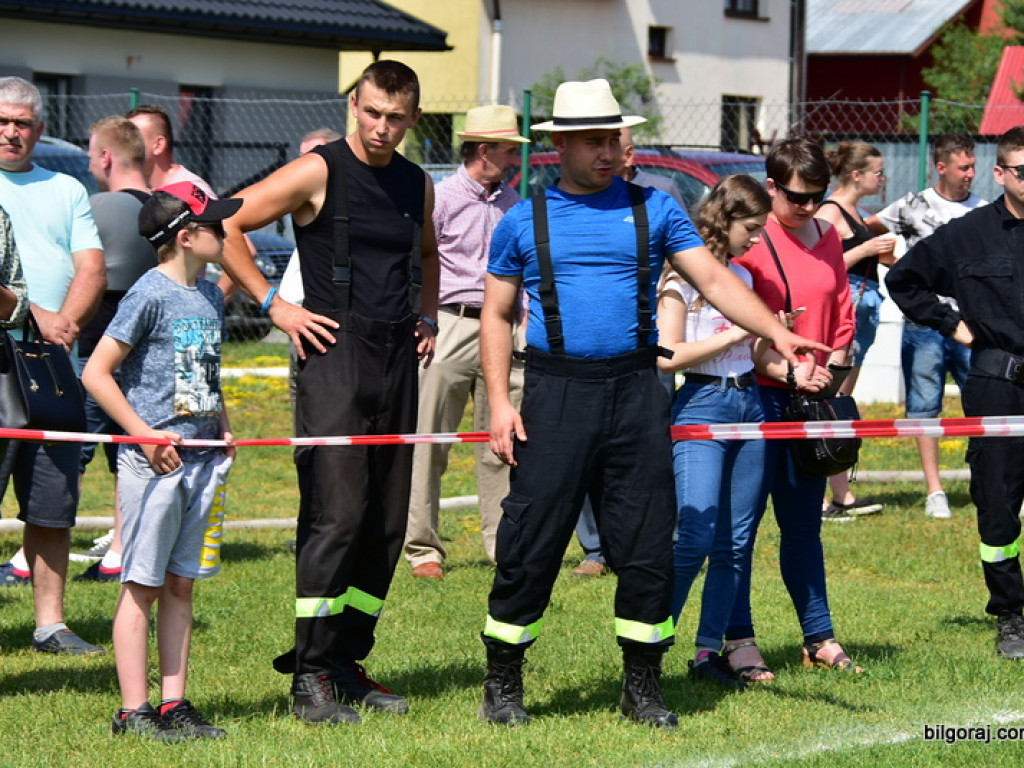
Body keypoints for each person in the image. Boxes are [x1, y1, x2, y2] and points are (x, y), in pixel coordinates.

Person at [478, 79, 828, 728]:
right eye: (592, 140)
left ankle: (642, 686)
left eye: (613, 138)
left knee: (646, 548)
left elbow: (717, 280)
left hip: (639, 393)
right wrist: (500, 401)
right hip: (555, 395)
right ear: (560, 146)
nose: (607, 151)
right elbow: (496, 315)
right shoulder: (524, 219)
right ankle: (503, 681)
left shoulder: (657, 210)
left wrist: (777, 330)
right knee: (532, 544)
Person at [219, 60, 438, 725]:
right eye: (371, 112)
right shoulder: (320, 169)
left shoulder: (417, 183)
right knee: (337, 516)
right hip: (332, 357)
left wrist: (427, 316)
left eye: (395, 117)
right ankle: (309, 674)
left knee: (388, 523)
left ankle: (347, 659)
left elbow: (430, 255)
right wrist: (274, 305)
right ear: (354, 105)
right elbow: (224, 224)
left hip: (398, 356)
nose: (380, 128)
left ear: (413, 119)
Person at [82, 182, 237, 741]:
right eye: (215, 226)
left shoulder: (211, 294)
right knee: (141, 584)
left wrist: (220, 425)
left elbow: (202, 375)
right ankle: (133, 710)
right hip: (155, 465)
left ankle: (174, 704)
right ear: (186, 237)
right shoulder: (147, 294)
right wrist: (143, 434)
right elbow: (96, 373)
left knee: (180, 584)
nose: (224, 234)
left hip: (199, 458)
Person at [885, 125, 1024, 660]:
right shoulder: (969, 233)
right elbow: (904, 280)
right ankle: (1010, 614)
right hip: (998, 381)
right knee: (997, 503)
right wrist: (951, 324)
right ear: (1000, 174)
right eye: (1021, 170)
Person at [723, 138, 859, 682]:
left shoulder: (828, 236)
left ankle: (819, 635)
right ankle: (737, 639)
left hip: (815, 400)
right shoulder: (751, 240)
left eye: (818, 195)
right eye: (797, 196)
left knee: (804, 526)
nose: (807, 207)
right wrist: (789, 370)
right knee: (742, 529)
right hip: (759, 397)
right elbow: (738, 329)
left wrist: (832, 376)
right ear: (771, 186)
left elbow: (842, 313)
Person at [0, 76, 107, 656]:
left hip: (51, 359)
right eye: (2, 121)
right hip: (2, 354)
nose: (11, 132)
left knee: (52, 497)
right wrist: (38, 314)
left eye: (21, 123)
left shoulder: (67, 188)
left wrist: (63, 324)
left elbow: (92, 267)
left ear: (39, 131)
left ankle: (50, 624)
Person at [405, 104, 527, 580]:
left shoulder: (514, 204)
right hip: (450, 325)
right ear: (483, 151)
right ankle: (423, 549)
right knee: (429, 441)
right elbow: (419, 263)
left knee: (501, 441)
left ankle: (503, 547)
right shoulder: (442, 197)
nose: (513, 158)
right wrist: (425, 321)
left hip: (506, 329)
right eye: (506, 149)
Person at [658, 175, 771, 690]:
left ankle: (708, 653)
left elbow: (754, 351)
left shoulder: (742, 279)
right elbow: (669, 356)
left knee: (735, 543)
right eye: (752, 227)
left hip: (750, 404)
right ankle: (650, 645)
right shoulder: (679, 278)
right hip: (701, 402)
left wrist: (781, 347)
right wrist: (736, 332)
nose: (757, 238)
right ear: (725, 220)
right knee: (695, 537)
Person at [571, 124, 686, 578]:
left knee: (648, 447)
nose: (619, 155)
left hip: (648, 340)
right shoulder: (570, 200)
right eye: (602, 145)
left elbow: (684, 256)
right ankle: (596, 549)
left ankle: (649, 540)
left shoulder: (661, 193)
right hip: (585, 351)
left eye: (622, 146)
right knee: (584, 448)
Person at [870, 134, 985, 520]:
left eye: (973, 166)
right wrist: (894, 261)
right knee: (924, 405)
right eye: (963, 167)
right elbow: (866, 227)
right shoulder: (913, 205)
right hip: (925, 324)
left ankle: (986, 480)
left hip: (973, 325)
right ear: (941, 167)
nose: (971, 174)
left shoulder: (983, 211)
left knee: (986, 403)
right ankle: (935, 490)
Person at [73, 115, 157, 583]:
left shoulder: (98, 208)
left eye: (90, 156)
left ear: (106, 156)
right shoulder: (169, 208)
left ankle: (31, 559)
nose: (91, 165)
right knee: (130, 457)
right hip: (146, 360)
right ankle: (119, 555)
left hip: (96, 354)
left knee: (69, 456)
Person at [816, 141, 895, 520]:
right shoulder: (830, 213)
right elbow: (820, 268)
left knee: (842, 400)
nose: (883, 179)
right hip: (842, 311)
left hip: (861, 308)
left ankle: (841, 494)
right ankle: (825, 497)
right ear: (856, 174)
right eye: (878, 172)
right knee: (833, 398)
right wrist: (866, 251)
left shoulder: (856, 213)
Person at [126, 105, 216, 197]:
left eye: (133, 138)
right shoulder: (128, 187)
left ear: (158, 145)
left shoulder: (194, 193)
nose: (124, 145)